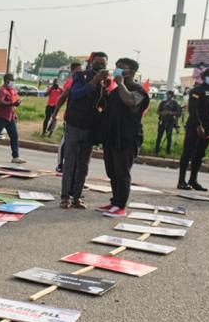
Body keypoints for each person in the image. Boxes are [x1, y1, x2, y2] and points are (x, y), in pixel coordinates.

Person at [97, 58, 149, 217]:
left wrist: (120, 84)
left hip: (127, 137)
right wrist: (104, 90)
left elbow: (129, 101)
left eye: (122, 68)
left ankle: (121, 206)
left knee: (122, 171)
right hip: (112, 136)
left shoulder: (138, 90)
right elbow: (103, 107)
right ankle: (114, 202)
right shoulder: (115, 90)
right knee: (112, 171)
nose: (118, 70)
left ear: (132, 71)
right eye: (117, 67)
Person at [60, 52, 109, 209]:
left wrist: (106, 90)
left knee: (83, 164)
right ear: (91, 62)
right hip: (74, 125)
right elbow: (76, 94)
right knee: (70, 162)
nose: (100, 66)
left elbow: (102, 105)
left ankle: (77, 197)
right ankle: (65, 197)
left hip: (90, 128)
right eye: (97, 62)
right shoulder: (80, 76)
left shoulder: (104, 82)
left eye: (103, 64)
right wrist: (94, 81)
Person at [177, 67, 209, 190]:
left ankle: (193, 180)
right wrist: (198, 125)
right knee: (188, 153)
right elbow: (193, 109)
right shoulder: (197, 90)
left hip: (208, 128)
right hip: (195, 127)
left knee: (199, 155)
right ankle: (181, 181)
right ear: (205, 78)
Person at [51, 61, 83, 170]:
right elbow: (62, 98)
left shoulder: (87, 82)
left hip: (84, 119)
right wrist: (55, 113)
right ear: (73, 71)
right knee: (65, 141)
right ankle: (60, 164)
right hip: (71, 118)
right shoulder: (71, 82)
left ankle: (74, 166)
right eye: (79, 70)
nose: (81, 72)